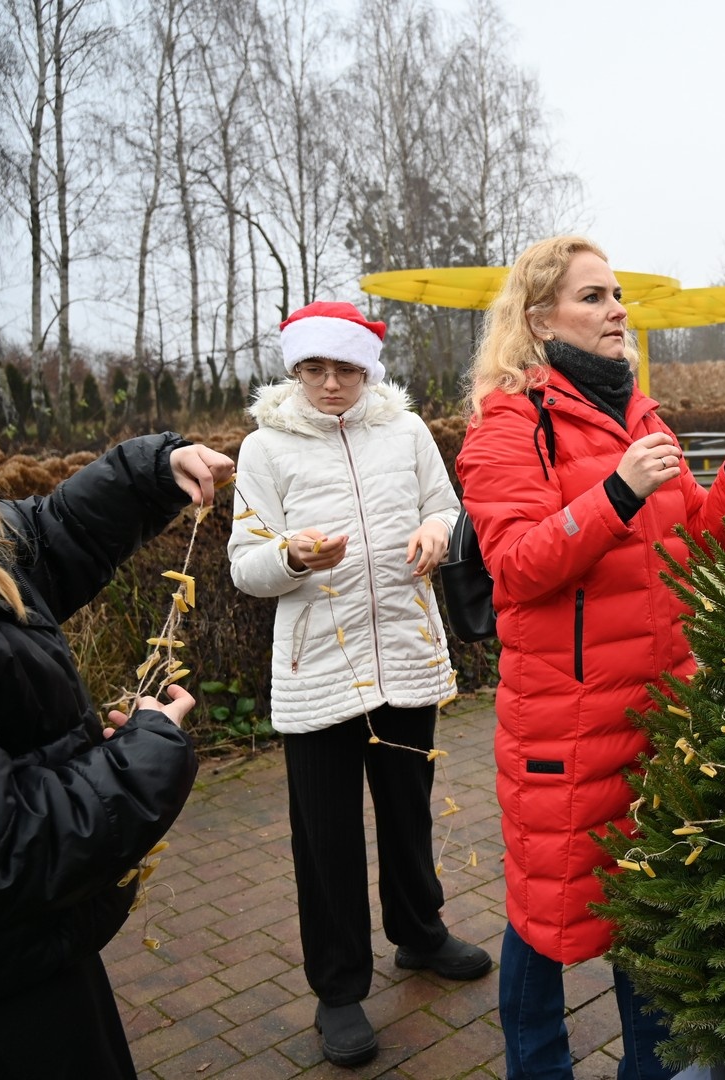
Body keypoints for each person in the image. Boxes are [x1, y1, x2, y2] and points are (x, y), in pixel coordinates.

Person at [455, 236, 725, 1080]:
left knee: (649, 909)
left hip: (660, 716)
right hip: (567, 724)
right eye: (593, 297)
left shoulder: (638, 414)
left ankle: (653, 1070)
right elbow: (517, 567)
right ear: (538, 319)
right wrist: (616, 491)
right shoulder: (508, 424)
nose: (617, 311)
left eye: (616, 296)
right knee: (544, 918)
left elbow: (690, 554)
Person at [229, 301, 488, 1068]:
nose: (332, 384)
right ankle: (339, 988)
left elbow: (444, 505)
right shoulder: (263, 448)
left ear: (368, 369)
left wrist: (438, 532)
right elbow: (246, 567)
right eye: (316, 369)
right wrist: (295, 559)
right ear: (295, 370)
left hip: (404, 656)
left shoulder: (404, 432)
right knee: (327, 835)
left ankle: (419, 932)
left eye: (346, 368)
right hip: (317, 674)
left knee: (409, 808)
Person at [0, 433, 232, 1079]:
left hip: (34, 949)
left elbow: (46, 533)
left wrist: (150, 471)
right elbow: (12, 848)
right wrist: (146, 751)